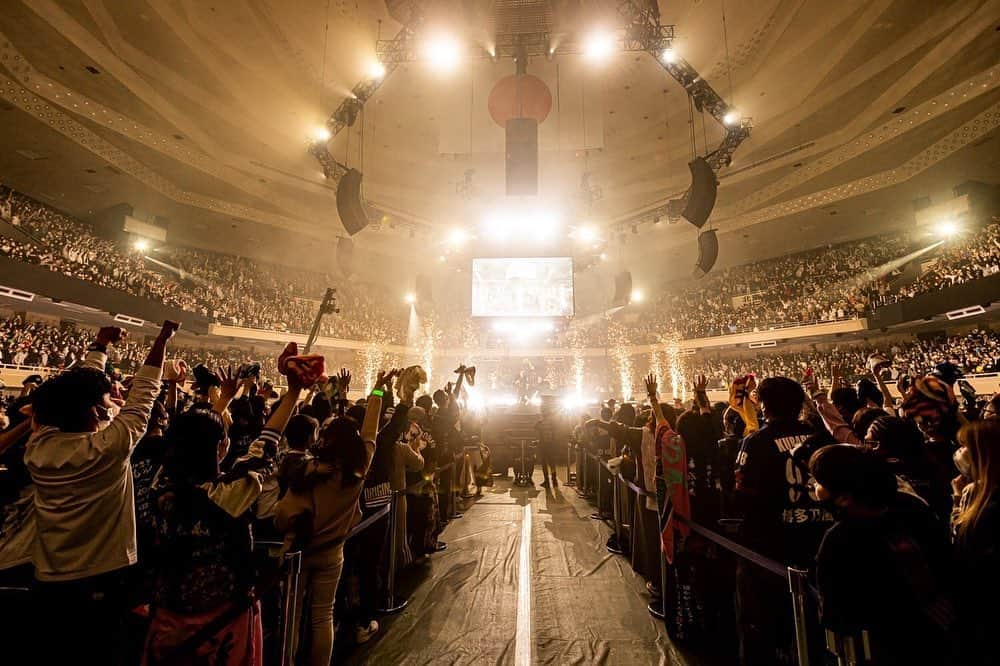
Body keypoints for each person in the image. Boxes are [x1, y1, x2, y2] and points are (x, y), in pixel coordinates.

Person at [25, 321, 177, 665]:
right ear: (95, 411)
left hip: (49, 578)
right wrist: (163, 339)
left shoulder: (38, 448)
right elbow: (144, 393)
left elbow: (77, 391)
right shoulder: (110, 447)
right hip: (105, 578)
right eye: (109, 400)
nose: (114, 403)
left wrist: (100, 347)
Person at [142, 356, 304, 666]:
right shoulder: (227, 495)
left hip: (167, 617)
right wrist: (294, 392)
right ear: (218, 448)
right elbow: (264, 447)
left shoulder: (160, 487)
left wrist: (224, 400)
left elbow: (188, 441)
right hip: (224, 621)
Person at [810, 444, 954, 663]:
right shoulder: (913, 509)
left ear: (844, 498)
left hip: (880, 647)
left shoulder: (840, 539)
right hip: (940, 638)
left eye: (819, 483)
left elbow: (835, 615)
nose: (814, 488)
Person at [275, 385, 383, 666]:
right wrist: (379, 394)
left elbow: (284, 513)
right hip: (334, 552)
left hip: (300, 554)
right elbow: (371, 435)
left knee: (293, 616)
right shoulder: (360, 468)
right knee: (323, 615)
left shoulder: (312, 473)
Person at [951, 420, 1000, 665]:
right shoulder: (979, 493)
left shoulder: (991, 503)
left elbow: (962, 543)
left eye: (964, 445)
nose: (959, 453)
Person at [535, 397, 559, 488]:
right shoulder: (553, 422)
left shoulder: (540, 422)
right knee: (552, 463)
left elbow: (535, 427)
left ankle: (547, 481)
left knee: (544, 464)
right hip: (551, 445)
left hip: (543, 445)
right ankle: (554, 480)